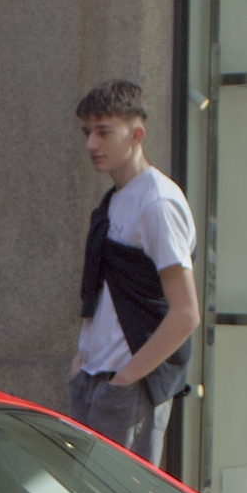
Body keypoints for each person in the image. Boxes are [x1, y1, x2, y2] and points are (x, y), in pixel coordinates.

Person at [69, 80, 200, 464]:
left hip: (130, 385)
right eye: (87, 132)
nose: (92, 144)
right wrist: (81, 364)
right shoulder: (114, 200)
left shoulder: (157, 202)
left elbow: (185, 313)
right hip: (94, 375)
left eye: (104, 132)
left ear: (136, 134)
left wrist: (126, 377)